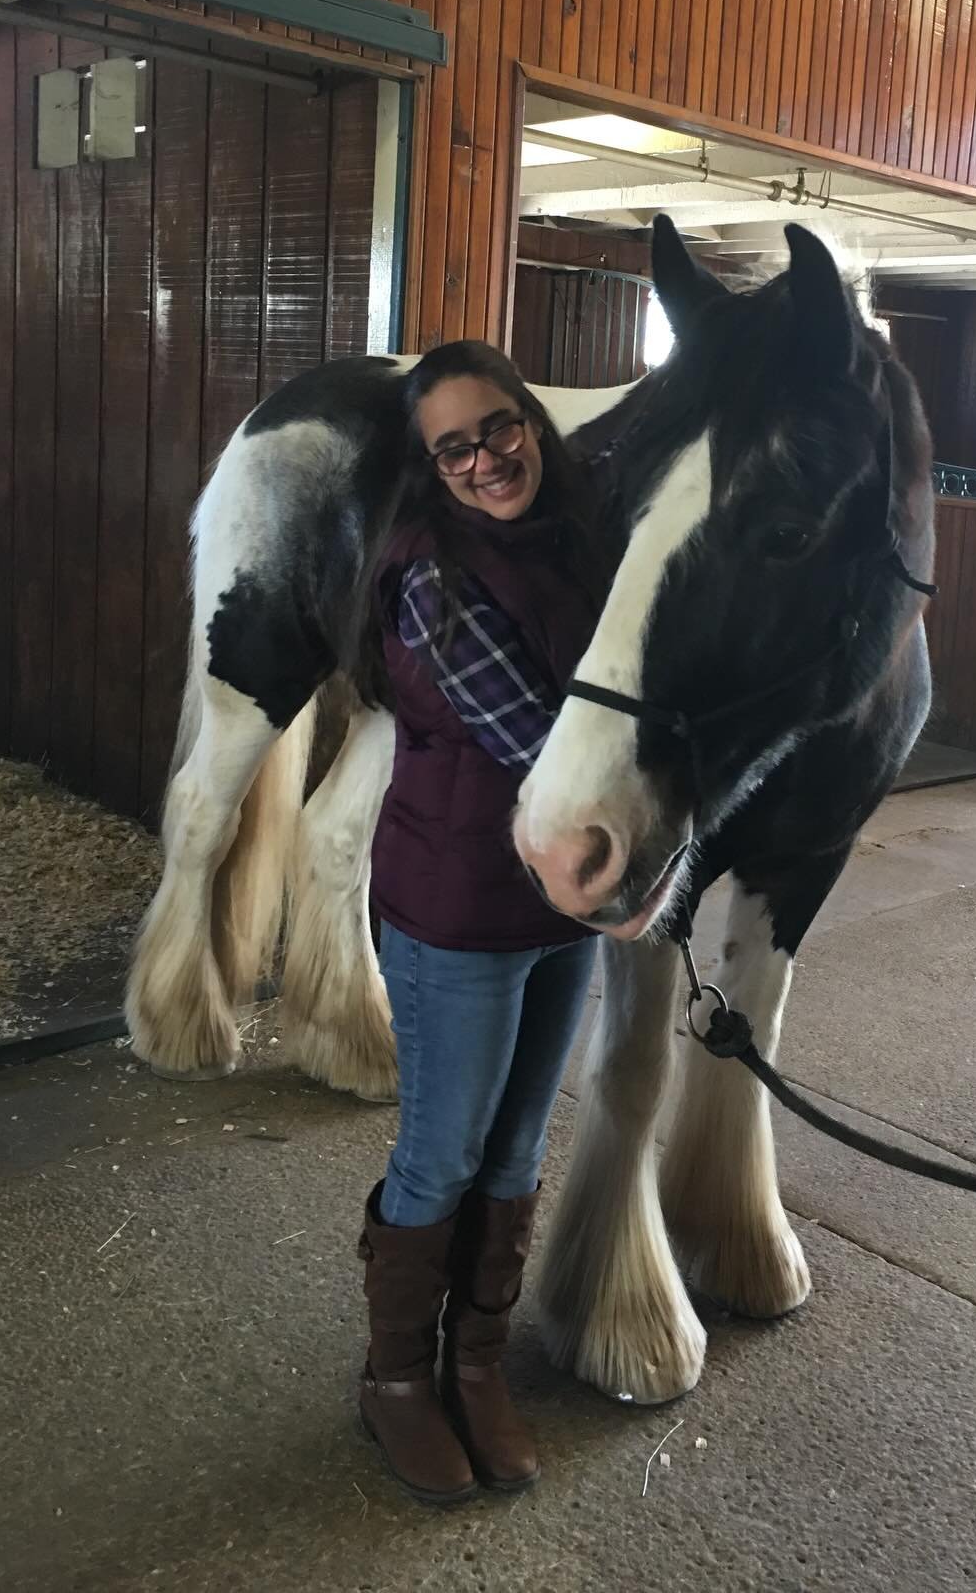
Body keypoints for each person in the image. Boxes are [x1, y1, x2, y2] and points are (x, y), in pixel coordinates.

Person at [356, 340, 607, 1507]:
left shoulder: (581, 541)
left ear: (533, 422)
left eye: (499, 428)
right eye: (452, 447)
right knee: (444, 1154)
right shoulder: (432, 577)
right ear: (429, 467)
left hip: (562, 904)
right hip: (459, 906)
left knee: (512, 1154)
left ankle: (478, 1364)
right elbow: (551, 757)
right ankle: (398, 1381)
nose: (485, 460)